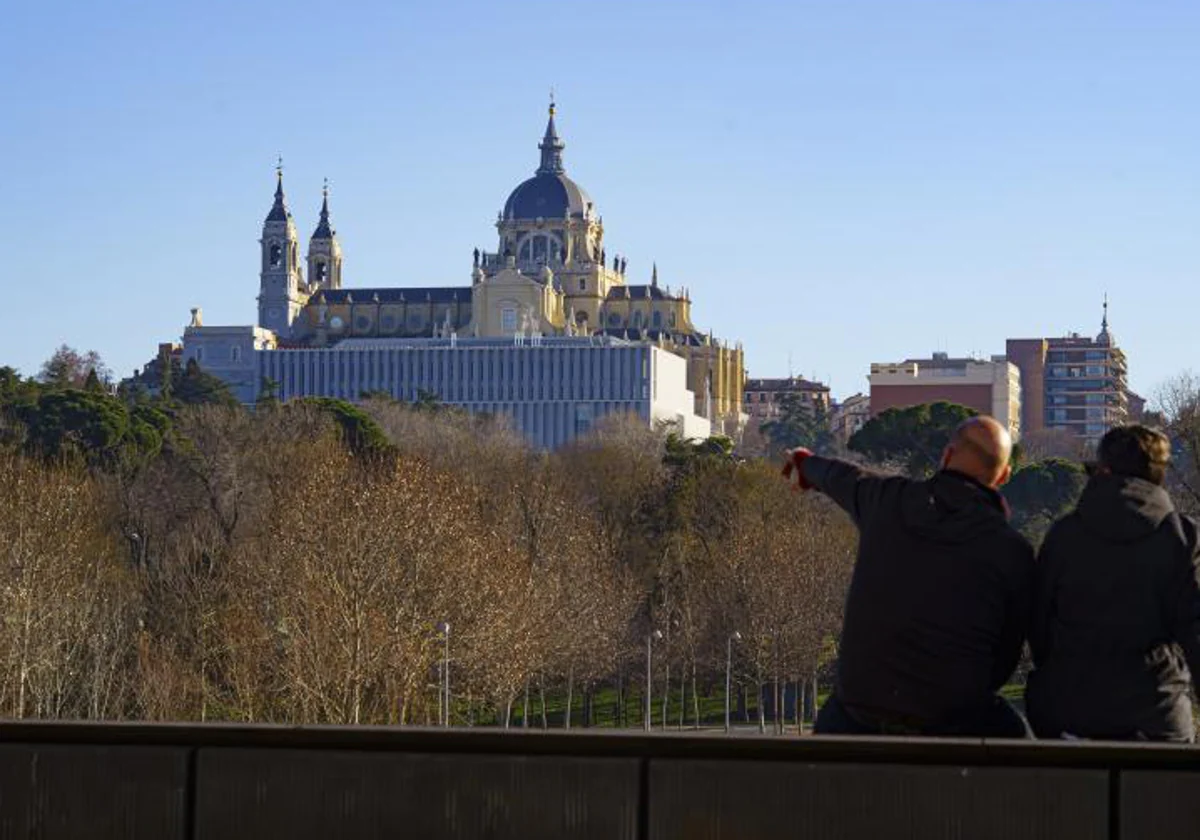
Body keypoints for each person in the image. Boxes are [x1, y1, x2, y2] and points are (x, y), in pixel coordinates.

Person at [783, 416, 1034, 737]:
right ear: (1003, 476)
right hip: (953, 719)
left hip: (860, 711)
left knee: (833, 718)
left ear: (946, 456)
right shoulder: (1012, 551)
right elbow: (1007, 653)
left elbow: (840, 476)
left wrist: (804, 464)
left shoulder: (887, 499)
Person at [1025, 425, 1200, 742]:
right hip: (1156, 711)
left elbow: (1038, 625)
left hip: (1066, 711)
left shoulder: (1064, 535)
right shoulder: (1181, 537)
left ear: (1102, 469)